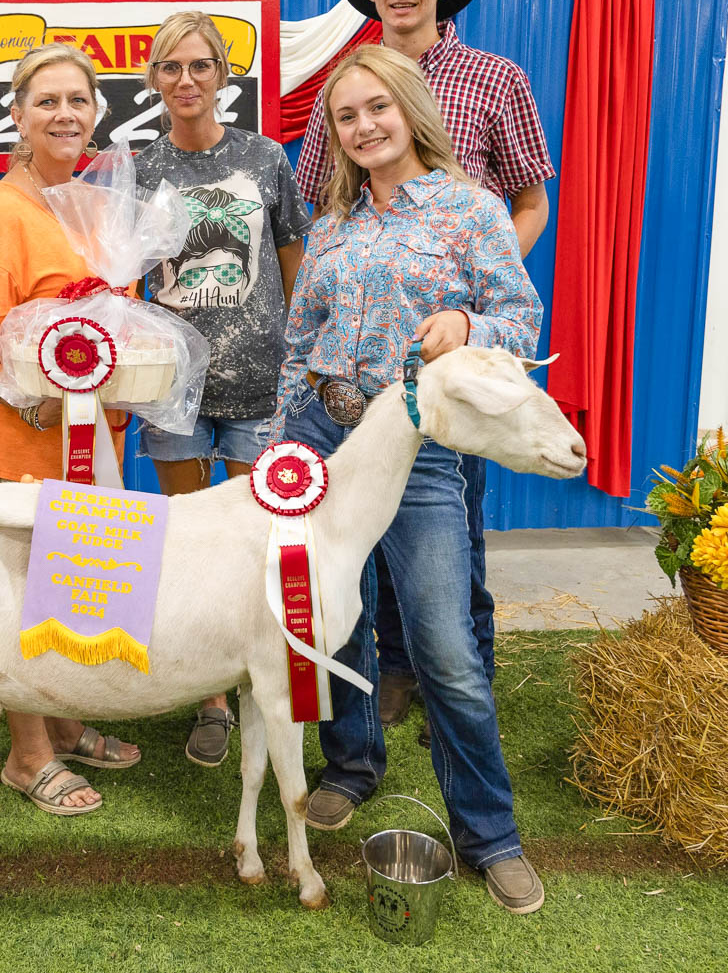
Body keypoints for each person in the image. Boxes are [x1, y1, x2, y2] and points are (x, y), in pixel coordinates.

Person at [274, 44, 545, 913]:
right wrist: (285, 443)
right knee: (333, 621)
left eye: (376, 108)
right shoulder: (332, 224)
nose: (364, 127)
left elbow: (521, 318)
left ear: (411, 108)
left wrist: (467, 320)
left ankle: (490, 834)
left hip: (419, 448)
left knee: (445, 647)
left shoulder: (472, 210)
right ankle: (351, 765)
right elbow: (300, 339)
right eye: (346, 117)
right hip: (324, 436)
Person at [295, 0, 556, 733]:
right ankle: (386, 678)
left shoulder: (496, 79)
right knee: (356, 534)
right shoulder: (341, 88)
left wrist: (472, 295)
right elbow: (319, 205)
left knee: (452, 527)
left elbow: (529, 200)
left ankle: (459, 675)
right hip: (353, 370)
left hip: (444, 357)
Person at [0, 42, 141, 815]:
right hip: (20, 441)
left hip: (92, 440)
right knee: (20, 597)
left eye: (77, 100)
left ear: (97, 113)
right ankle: (27, 755)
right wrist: (29, 402)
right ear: (16, 116)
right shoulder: (0, 216)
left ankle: (65, 719)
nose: (64, 114)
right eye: (46, 101)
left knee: (73, 589)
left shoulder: (94, 206)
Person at [133, 11, 311, 767]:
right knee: (186, 541)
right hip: (173, 390)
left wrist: (301, 352)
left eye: (200, 65)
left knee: (255, 542)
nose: (187, 80)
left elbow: (293, 257)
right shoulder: (139, 170)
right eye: (172, 67)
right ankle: (208, 697)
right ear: (154, 79)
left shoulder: (265, 158)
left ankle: (257, 678)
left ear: (223, 75)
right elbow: (125, 276)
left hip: (260, 385)